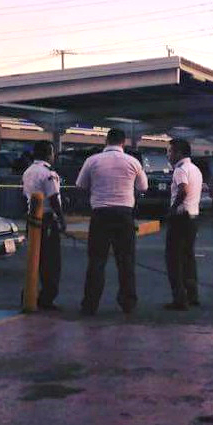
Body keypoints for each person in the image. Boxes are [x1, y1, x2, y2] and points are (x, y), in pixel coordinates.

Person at [76, 128, 147, 315]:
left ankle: (90, 304)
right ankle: (128, 303)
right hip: (124, 215)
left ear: (106, 141)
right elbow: (143, 186)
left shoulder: (92, 161)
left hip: (100, 214)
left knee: (96, 261)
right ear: (123, 142)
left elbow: (80, 184)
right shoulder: (133, 162)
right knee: (126, 261)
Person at [22, 141, 66, 310]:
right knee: (51, 261)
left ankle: (29, 294)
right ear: (49, 154)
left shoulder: (28, 171)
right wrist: (61, 219)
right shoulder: (49, 174)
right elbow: (53, 198)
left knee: (35, 259)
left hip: (32, 219)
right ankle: (47, 297)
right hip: (47, 220)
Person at [164, 138, 203, 311]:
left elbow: (183, 190)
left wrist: (172, 209)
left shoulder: (180, 170)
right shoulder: (195, 169)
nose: (168, 155)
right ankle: (192, 295)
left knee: (174, 259)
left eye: (169, 151)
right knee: (188, 258)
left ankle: (179, 299)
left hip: (180, 218)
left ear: (179, 153)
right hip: (193, 217)